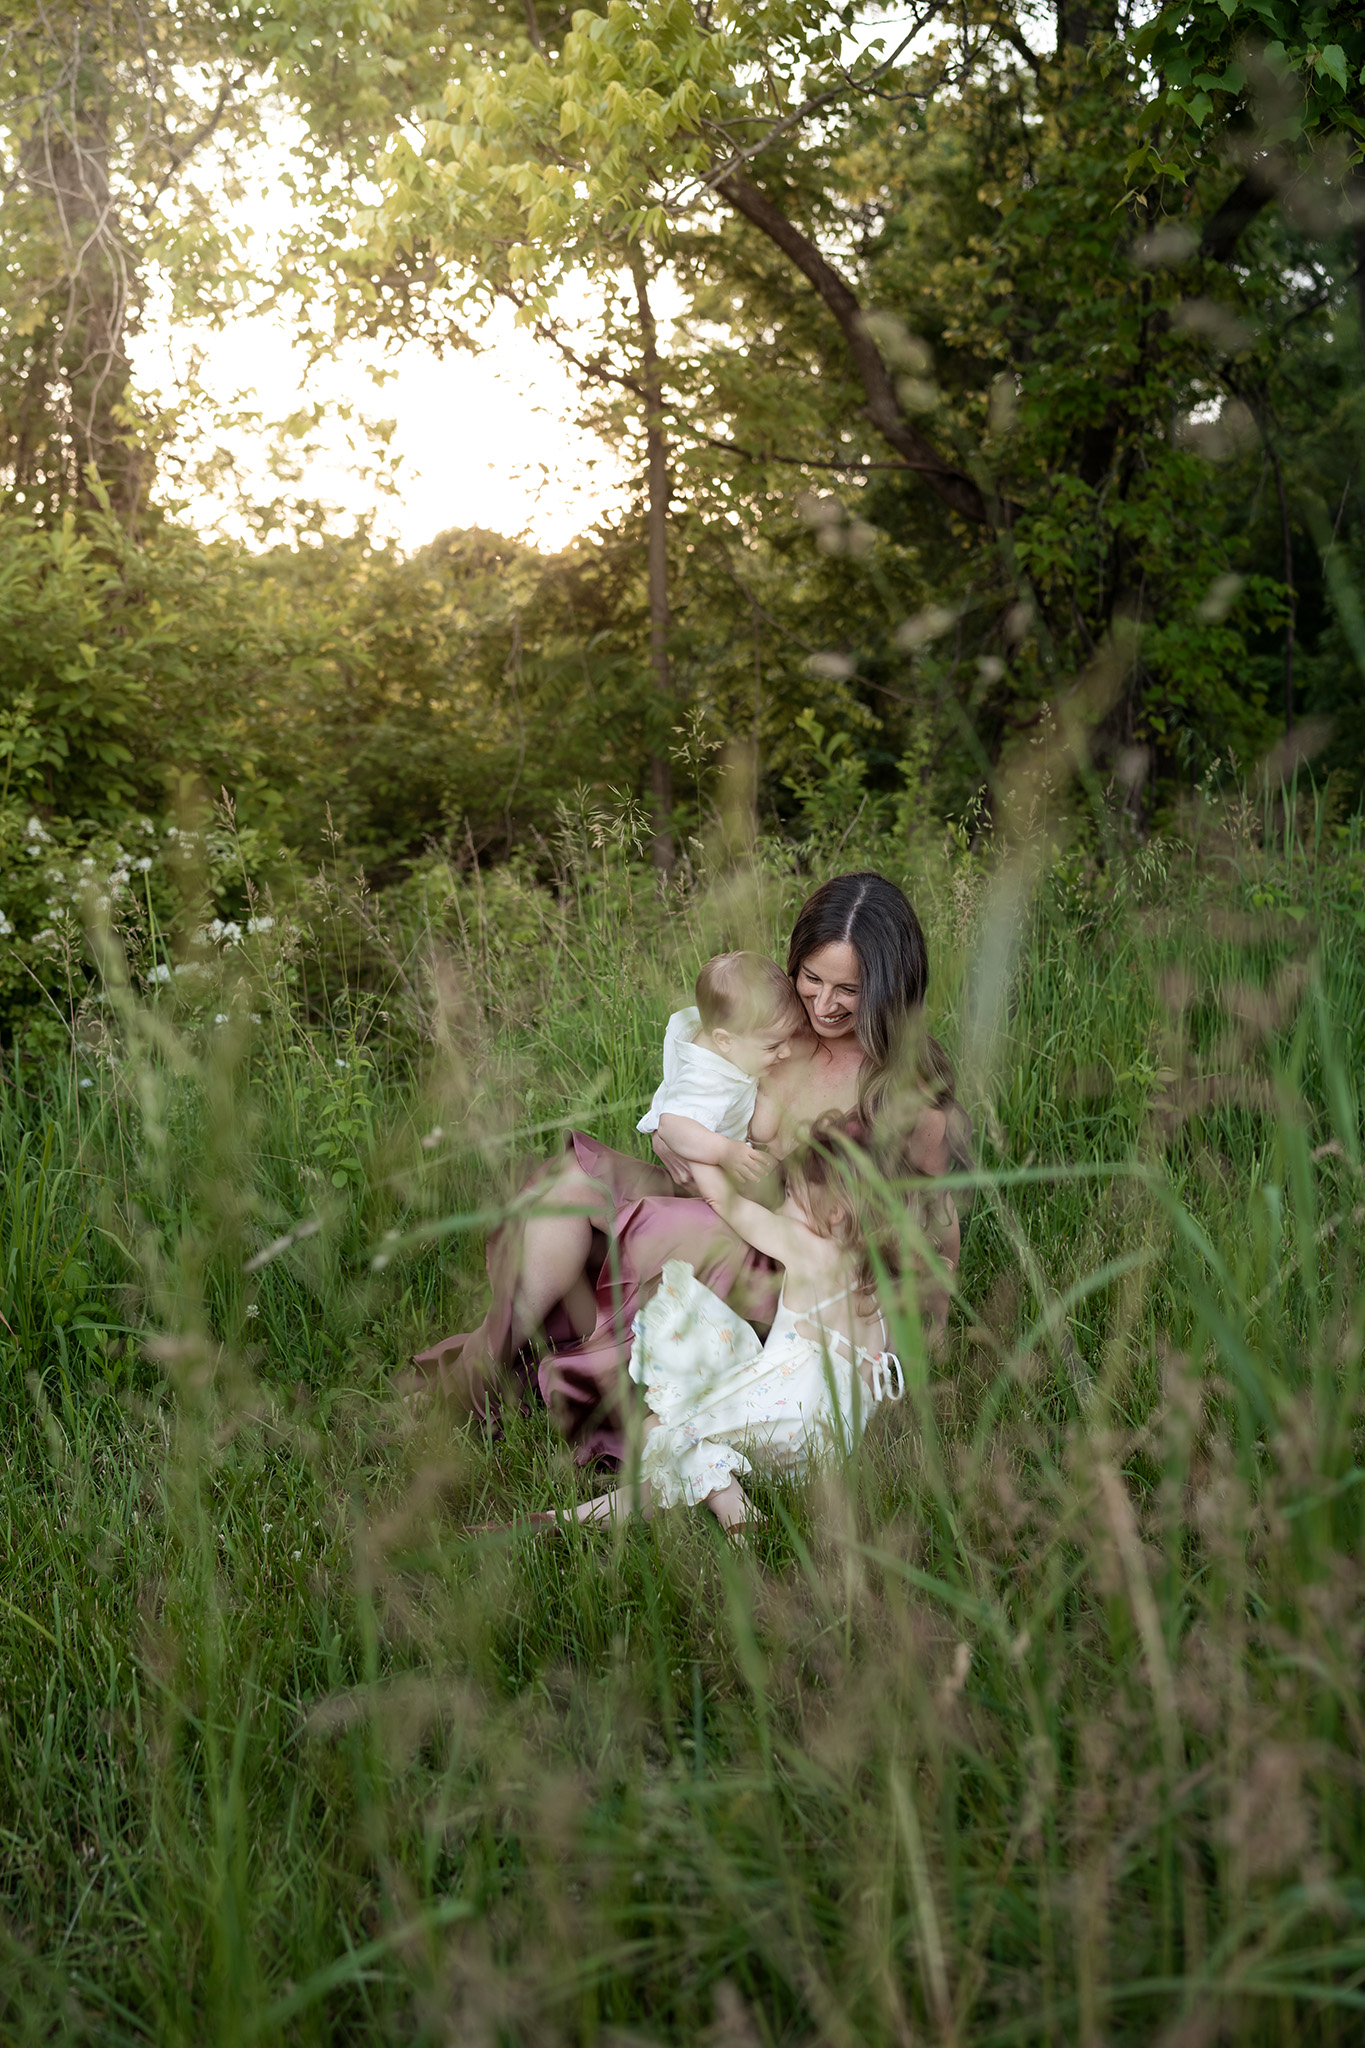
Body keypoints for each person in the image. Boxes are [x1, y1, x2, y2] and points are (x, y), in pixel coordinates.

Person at [411, 870, 966, 1462]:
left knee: (676, 1228)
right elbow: (693, 1099)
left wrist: (919, 1342)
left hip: (784, 1268)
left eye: (848, 991)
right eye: (811, 979)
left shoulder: (907, 1097)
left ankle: (551, 1388)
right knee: (567, 1186)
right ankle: (482, 1368)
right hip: (716, 1200)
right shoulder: (775, 1026)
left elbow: (939, 1229)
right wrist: (672, 1139)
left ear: (887, 988)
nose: (824, 1005)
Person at [504, 1123, 907, 1533]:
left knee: (659, 1428)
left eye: (790, 1195)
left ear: (834, 1211)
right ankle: (562, 1523)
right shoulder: (881, 1292)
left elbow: (723, 1199)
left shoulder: (805, 1247)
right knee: (678, 1463)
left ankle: (736, 1510)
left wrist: (690, 1140)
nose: (781, 1203)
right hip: (823, 1452)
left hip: (788, 1411)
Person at [637, 950, 805, 1185]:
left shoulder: (713, 1028)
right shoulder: (707, 1079)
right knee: (775, 1182)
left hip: (723, 1147)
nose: (786, 1052)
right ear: (725, 1040)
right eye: (773, 1046)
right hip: (709, 1168)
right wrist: (724, 1151)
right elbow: (671, 1125)